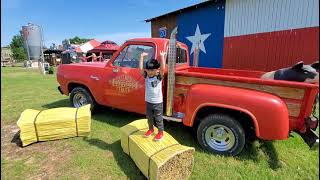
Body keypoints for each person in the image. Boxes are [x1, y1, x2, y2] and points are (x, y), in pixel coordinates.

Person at [139, 50, 166, 141]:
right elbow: (140, 69)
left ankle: (160, 132)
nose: (150, 72)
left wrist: (162, 57)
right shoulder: (146, 76)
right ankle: (150, 129)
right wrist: (142, 57)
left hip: (157, 102)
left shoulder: (158, 77)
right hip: (148, 101)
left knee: (158, 118)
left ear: (157, 70)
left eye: (152, 70)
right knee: (149, 117)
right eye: (148, 70)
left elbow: (163, 69)